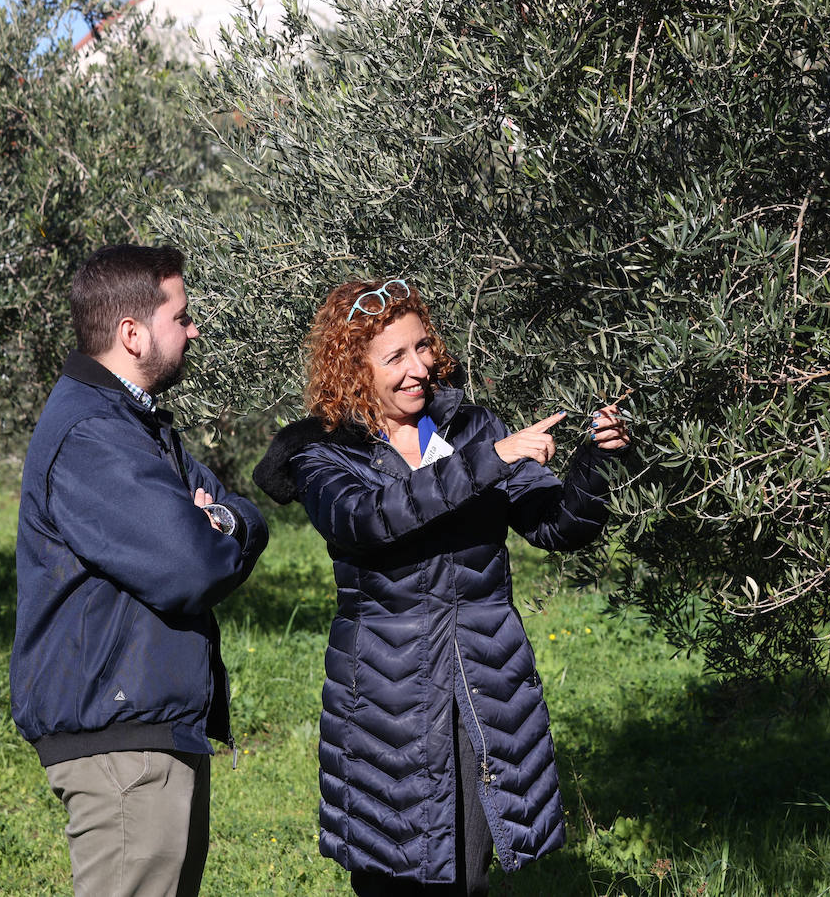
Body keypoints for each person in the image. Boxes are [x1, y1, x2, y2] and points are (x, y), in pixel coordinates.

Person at [252, 278, 631, 895]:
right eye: (395, 356)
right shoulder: (323, 455)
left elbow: (556, 526)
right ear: (353, 370)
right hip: (384, 708)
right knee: (393, 882)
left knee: (468, 880)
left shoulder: (471, 427)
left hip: (484, 690)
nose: (418, 368)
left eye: (422, 348)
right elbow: (370, 520)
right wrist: (490, 460)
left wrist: (594, 461)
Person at [11, 244, 269, 897]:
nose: (193, 330)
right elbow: (190, 565)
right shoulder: (94, 436)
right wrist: (207, 531)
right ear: (132, 333)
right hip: (124, 748)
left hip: (146, 738)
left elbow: (242, 516)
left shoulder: (135, 425)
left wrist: (227, 522)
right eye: (180, 317)